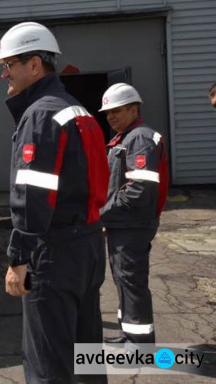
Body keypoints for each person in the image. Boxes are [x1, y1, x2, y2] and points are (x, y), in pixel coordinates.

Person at [0, 22, 109, 383]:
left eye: (9, 64)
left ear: (34, 65)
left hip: (55, 253)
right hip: (88, 248)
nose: (3, 74)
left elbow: (32, 195)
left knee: (48, 366)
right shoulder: (78, 110)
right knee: (87, 359)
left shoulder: (40, 114)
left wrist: (19, 258)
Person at [98, 83, 169, 345]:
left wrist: (103, 213)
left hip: (132, 226)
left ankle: (140, 345)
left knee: (131, 281)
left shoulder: (138, 138)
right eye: (107, 113)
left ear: (133, 109)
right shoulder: (127, 139)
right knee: (125, 281)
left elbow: (138, 191)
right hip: (124, 224)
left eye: (116, 111)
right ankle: (129, 335)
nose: (111, 117)